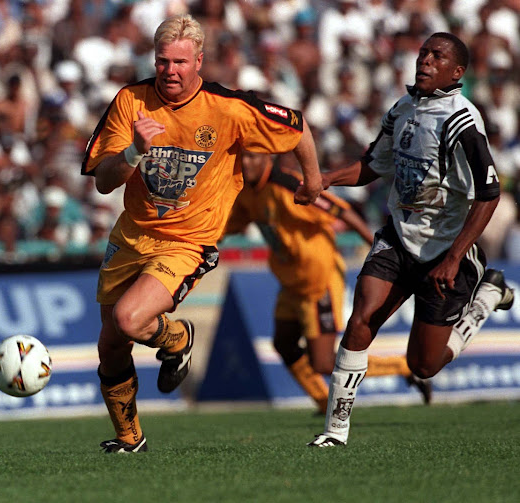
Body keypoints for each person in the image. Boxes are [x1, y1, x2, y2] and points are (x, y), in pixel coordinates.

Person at [81, 14, 323, 453]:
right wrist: (134, 151)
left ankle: (179, 338)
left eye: (179, 62)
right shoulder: (130, 102)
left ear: (199, 61)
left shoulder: (228, 109)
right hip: (132, 234)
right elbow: (102, 180)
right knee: (111, 346)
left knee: (130, 319)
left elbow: (296, 125)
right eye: (161, 61)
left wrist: (312, 179)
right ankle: (129, 439)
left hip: (187, 242)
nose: (169, 71)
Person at [308, 33, 515, 448]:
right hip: (399, 239)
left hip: (445, 252)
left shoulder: (461, 121)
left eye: (437, 56)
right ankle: (335, 431)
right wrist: (327, 179)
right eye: (423, 52)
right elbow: (372, 166)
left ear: (457, 73)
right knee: (362, 316)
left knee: (423, 365)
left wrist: (455, 257)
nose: (424, 60)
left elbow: (489, 194)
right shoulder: (402, 108)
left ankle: (484, 301)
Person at [225, 151, 432, 415]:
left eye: (253, 157)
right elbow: (231, 223)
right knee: (284, 344)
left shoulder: (287, 185)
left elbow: (342, 211)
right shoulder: (248, 191)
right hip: (292, 284)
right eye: (243, 157)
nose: (245, 162)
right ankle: (324, 401)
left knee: (323, 362)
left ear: (268, 157)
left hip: (318, 282)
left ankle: (404, 367)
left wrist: (376, 247)